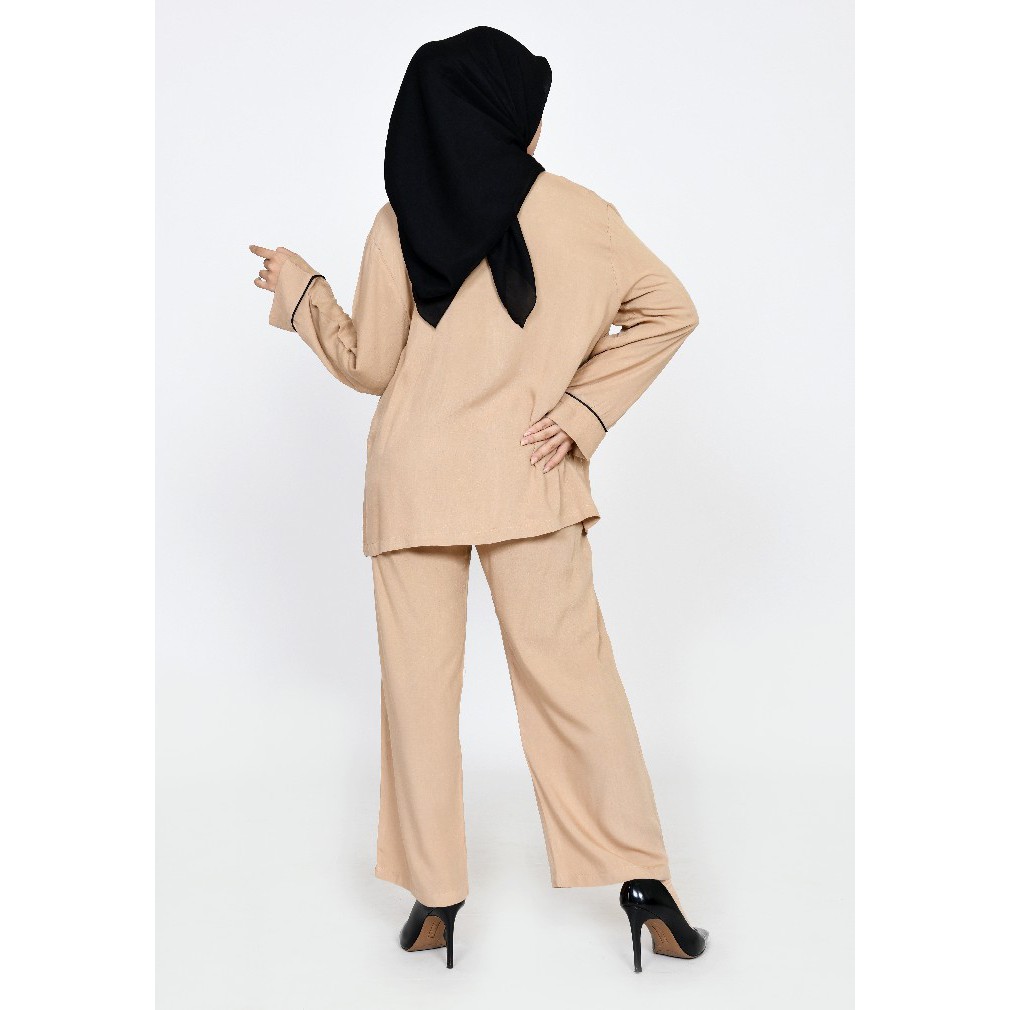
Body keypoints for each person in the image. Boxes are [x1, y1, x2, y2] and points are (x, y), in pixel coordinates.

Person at [249, 26, 707, 973]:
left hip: (414, 485)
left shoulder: (399, 221)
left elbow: (370, 364)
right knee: (575, 684)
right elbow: (672, 308)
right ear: (506, 117)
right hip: (531, 480)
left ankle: (435, 897)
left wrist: (304, 295)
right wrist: (580, 411)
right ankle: (643, 885)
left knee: (418, 693)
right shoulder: (584, 216)